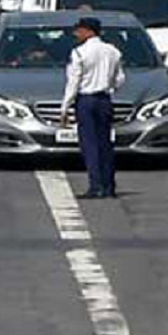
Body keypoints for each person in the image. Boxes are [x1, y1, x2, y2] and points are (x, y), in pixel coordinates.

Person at [59, 17, 126, 199]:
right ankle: (109, 185)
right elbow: (120, 79)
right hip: (104, 99)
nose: (76, 34)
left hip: (86, 100)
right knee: (105, 143)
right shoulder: (112, 51)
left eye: (79, 30)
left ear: (88, 31)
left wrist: (65, 107)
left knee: (89, 144)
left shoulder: (79, 53)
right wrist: (109, 86)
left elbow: (73, 82)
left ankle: (95, 185)